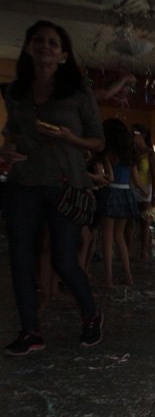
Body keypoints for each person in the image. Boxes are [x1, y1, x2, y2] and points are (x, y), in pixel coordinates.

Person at [1, 20, 105, 355]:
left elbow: (98, 141)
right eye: (39, 40)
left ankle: (91, 314)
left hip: (65, 183)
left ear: (63, 54)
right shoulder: (16, 92)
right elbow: (11, 133)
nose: (45, 46)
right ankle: (30, 331)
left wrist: (70, 138)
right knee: (21, 258)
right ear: (28, 47)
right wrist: (7, 149)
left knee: (64, 259)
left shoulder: (77, 93)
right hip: (23, 182)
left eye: (52, 42)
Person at [94, 118, 139, 288]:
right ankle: (128, 276)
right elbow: (134, 179)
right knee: (120, 237)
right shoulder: (129, 154)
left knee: (107, 238)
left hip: (110, 193)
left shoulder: (108, 153)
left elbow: (109, 176)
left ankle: (108, 278)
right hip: (125, 193)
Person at [130, 124, 155, 259]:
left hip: (146, 189)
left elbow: (154, 175)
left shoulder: (150, 153)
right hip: (133, 188)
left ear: (143, 135)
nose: (132, 136)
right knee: (130, 222)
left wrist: (154, 194)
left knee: (145, 222)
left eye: (135, 133)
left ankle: (144, 251)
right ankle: (129, 250)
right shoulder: (132, 153)